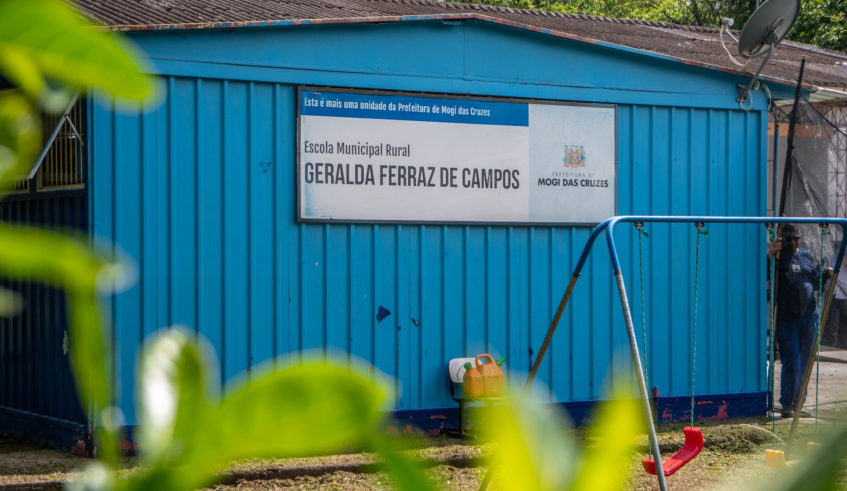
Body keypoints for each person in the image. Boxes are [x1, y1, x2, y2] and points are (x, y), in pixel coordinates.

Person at [768, 224, 832, 418]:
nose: (793, 242)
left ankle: (798, 403)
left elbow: (816, 282)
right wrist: (770, 255)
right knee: (792, 360)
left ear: (800, 238)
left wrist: (827, 275)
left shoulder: (806, 256)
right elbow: (763, 276)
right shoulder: (777, 258)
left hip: (809, 317)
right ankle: (787, 403)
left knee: (805, 362)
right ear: (781, 240)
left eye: (796, 238)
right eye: (788, 239)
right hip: (786, 319)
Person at [824, 240, 847, 348]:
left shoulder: (846, 259)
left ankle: (842, 342)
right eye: (836, 251)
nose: (837, 253)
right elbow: (824, 272)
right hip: (832, 291)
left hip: (844, 294)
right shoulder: (830, 259)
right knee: (831, 317)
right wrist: (825, 282)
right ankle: (831, 341)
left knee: (844, 319)